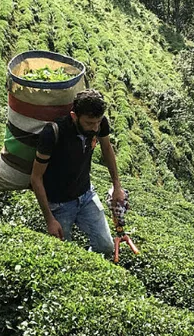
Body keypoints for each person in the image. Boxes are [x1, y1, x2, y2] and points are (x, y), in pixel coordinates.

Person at [30, 89, 125, 257]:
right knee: (63, 254)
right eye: (89, 123)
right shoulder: (53, 133)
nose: (95, 127)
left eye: (97, 122)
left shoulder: (100, 123)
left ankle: (89, 264)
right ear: (74, 116)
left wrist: (117, 186)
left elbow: (107, 149)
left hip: (86, 194)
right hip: (59, 203)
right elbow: (36, 178)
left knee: (105, 246)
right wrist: (49, 219)